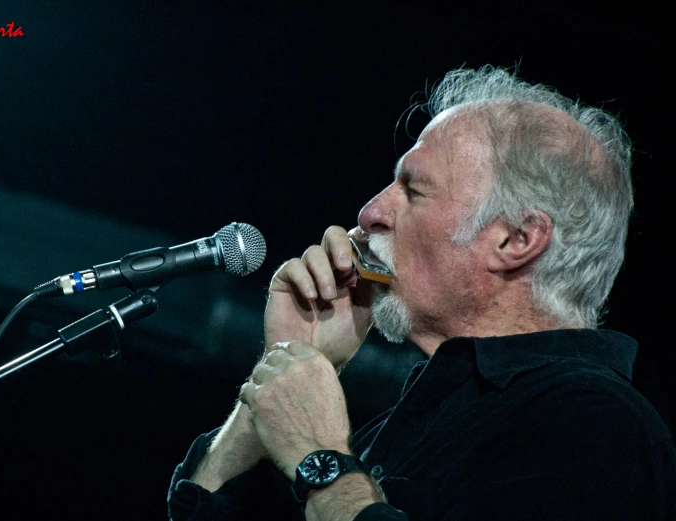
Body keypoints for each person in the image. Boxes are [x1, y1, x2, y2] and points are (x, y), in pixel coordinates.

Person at [167, 66, 676, 520]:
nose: (369, 213)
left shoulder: (599, 425)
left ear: (516, 240)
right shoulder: (405, 428)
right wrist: (286, 361)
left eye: (414, 190)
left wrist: (320, 460)